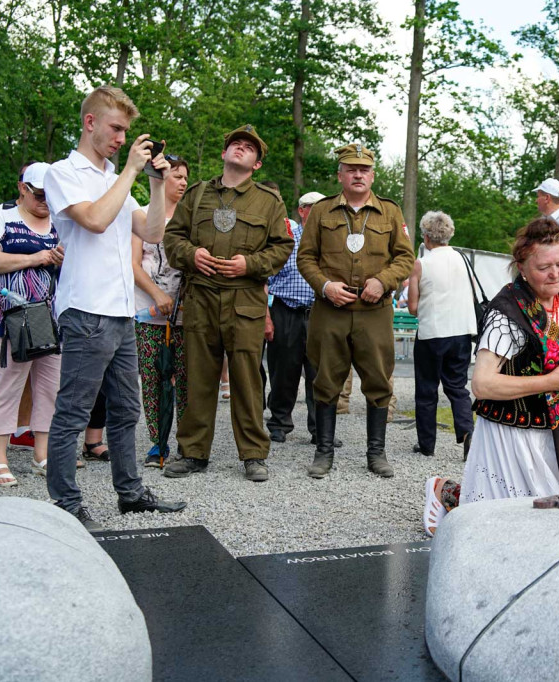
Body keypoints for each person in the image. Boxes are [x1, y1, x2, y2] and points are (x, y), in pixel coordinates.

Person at [43, 85, 186, 530]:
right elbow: (96, 219)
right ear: (90, 123)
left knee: (126, 409)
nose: (123, 138)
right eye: (116, 128)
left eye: (127, 131)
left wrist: (158, 184)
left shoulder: (113, 178)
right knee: (75, 409)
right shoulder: (62, 172)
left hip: (122, 311)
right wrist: (129, 171)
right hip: (86, 309)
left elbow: (155, 232)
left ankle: (130, 493)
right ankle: (65, 501)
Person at [423, 217, 559, 535]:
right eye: (544, 267)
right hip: (514, 432)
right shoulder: (507, 313)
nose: (555, 273)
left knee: (554, 521)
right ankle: (444, 494)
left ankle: (450, 492)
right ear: (522, 266)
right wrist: (551, 382)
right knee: (508, 523)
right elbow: (482, 384)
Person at [162, 125, 292, 483]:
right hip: (201, 297)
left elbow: (282, 248)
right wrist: (192, 255)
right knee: (198, 378)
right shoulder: (198, 193)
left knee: (247, 381)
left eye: (249, 147)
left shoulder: (269, 201)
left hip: (245, 301)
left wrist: (248, 265)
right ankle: (192, 452)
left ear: (257, 164)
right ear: (224, 154)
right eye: (235, 143)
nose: (240, 147)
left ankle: (253, 454)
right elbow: (172, 236)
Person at [297, 143, 414, 479]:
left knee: (378, 380)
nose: (358, 174)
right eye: (351, 169)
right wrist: (324, 286)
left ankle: (376, 453)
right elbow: (306, 257)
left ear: (372, 175)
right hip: (330, 311)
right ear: (341, 175)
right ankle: (323, 451)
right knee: (326, 380)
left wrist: (384, 280)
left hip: (374, 312)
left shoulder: (390, 212)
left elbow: (404, 258)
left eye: (364, 169)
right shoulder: (321, 211)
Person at [0, 162, 63, 486]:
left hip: (52, 315)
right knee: (7, 384)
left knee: (49, 386)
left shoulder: (59, 218)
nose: (45, 200)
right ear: (22, 188)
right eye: (40, 194)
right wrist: (37, 257)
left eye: (50, 194)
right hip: (11, 315)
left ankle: (41, 454)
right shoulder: (1, 215)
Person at [132, 155, 188, 467]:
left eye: (185, 178)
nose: (182, 182)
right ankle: (158, 442)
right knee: (153, 378)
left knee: (187, 379)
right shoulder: (140, 215)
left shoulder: (191, 220)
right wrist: (156, 294)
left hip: (185, 315)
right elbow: (132, 264)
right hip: (149, 311)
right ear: (162, 178)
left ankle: (186, 440)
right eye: (176, 176)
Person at [405, 211, 476, 458]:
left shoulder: (421, 264)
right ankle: (468, 434)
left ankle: (427, 444)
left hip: (433, 333)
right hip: (462, 332)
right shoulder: (463, 259)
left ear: (425, 236)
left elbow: (413, 307)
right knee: (457, 386)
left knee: (426, 389)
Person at [266, 191, 322, 445]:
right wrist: (266, 316)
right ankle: (279, 423)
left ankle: (320, 428)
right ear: (302, 210)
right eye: (316, 208)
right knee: (283, 372)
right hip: (286, 310)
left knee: (319, 374)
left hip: (319, 314)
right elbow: (264, 278)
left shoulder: (328, 240)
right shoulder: (285, 237)